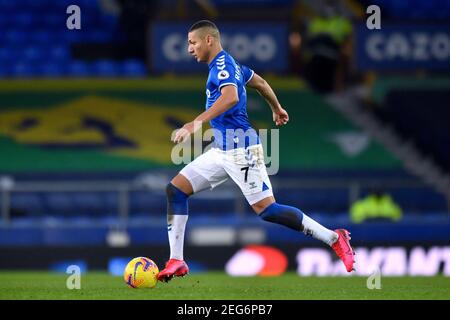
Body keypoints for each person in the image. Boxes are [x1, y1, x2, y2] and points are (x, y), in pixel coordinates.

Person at [157, 20, 355, 282]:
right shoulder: (232, 64)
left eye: (192, 42)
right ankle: (177, 260)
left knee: (268, 210)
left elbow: (230, 98)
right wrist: (277, 107)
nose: (189, 48)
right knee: (176, 190)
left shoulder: (223, 66)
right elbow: (260, 82)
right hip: (222, 149)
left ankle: (333, 237)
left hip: (242, 150)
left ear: (209, 40)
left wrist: (195, 123)